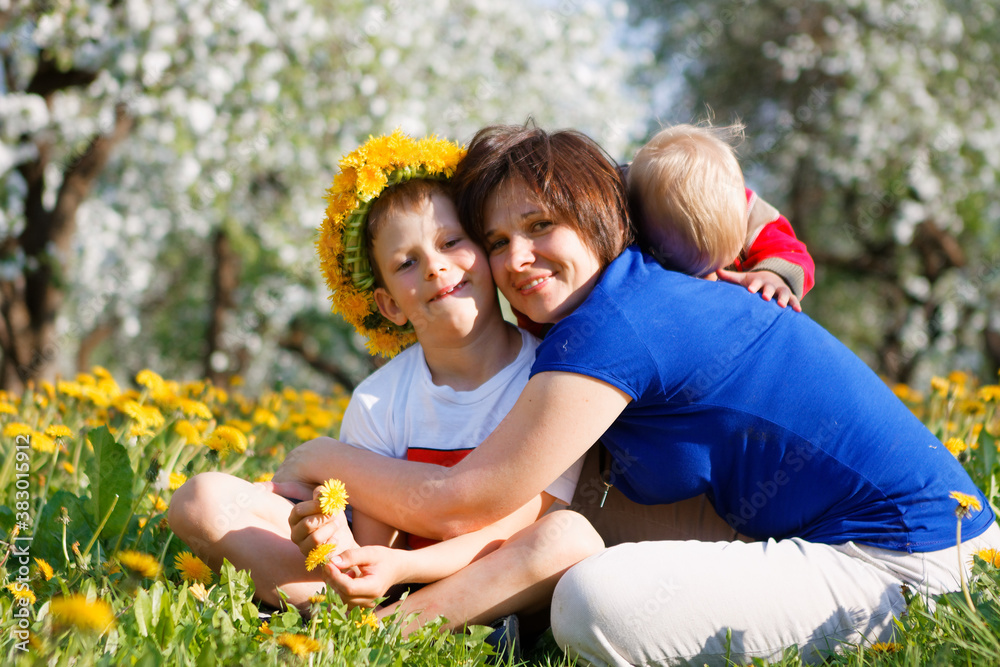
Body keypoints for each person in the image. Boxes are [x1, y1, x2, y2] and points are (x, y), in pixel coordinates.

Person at [275, 124, 1000, 666]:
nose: (516, 259)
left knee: (591, 602)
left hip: (914, 563)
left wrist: (317, 455)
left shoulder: (615, 324)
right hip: (883, 536)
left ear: (598, 216)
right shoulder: (634, 285)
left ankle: (387, 638)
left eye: (540, 227)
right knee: (584, 514)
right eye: (495, 240)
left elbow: (463, 498)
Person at [169, 131, 601, 641]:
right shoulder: (380, 397)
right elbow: (369, 535)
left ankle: (385, 631)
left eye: (451, 242)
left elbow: (514, 527)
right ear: (391, 304)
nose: (436, 266)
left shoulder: (546, 376)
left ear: (484, 253)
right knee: (200, 498)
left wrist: (404, 569)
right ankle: (364, 618)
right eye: (407, 263)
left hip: (493, 572)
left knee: (568, 538)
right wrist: (332, 540)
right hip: (388, 581)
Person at [627, 122, 814, 311]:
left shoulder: (751, 217)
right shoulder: (635, 206)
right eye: (697, 272)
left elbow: (792, 253)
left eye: (722, 265)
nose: (713, 278)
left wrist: (773, 275)